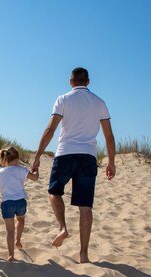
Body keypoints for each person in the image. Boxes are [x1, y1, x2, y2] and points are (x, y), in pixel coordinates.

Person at [32, 67, 116, 263]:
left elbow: (50, 130)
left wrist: (37, 156)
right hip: (88, 157)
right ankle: (84, 255)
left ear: (71, 82)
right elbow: (109, 137)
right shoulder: (99, 102)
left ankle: (62, 228)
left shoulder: (63, 99)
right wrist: (111, 162)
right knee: (85, 207)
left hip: (65, 154)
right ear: (88, 82)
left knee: (54, 192)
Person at [0, 146, 38, 262]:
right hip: (20, 201)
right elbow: (35, 178)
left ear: (5, 159)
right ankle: (18, 240)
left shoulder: (0, 172)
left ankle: (11, 254)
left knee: (9, 231)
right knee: (21, 220)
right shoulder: (21, 169)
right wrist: (36, 170)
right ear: (17, 159)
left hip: (7, 203)